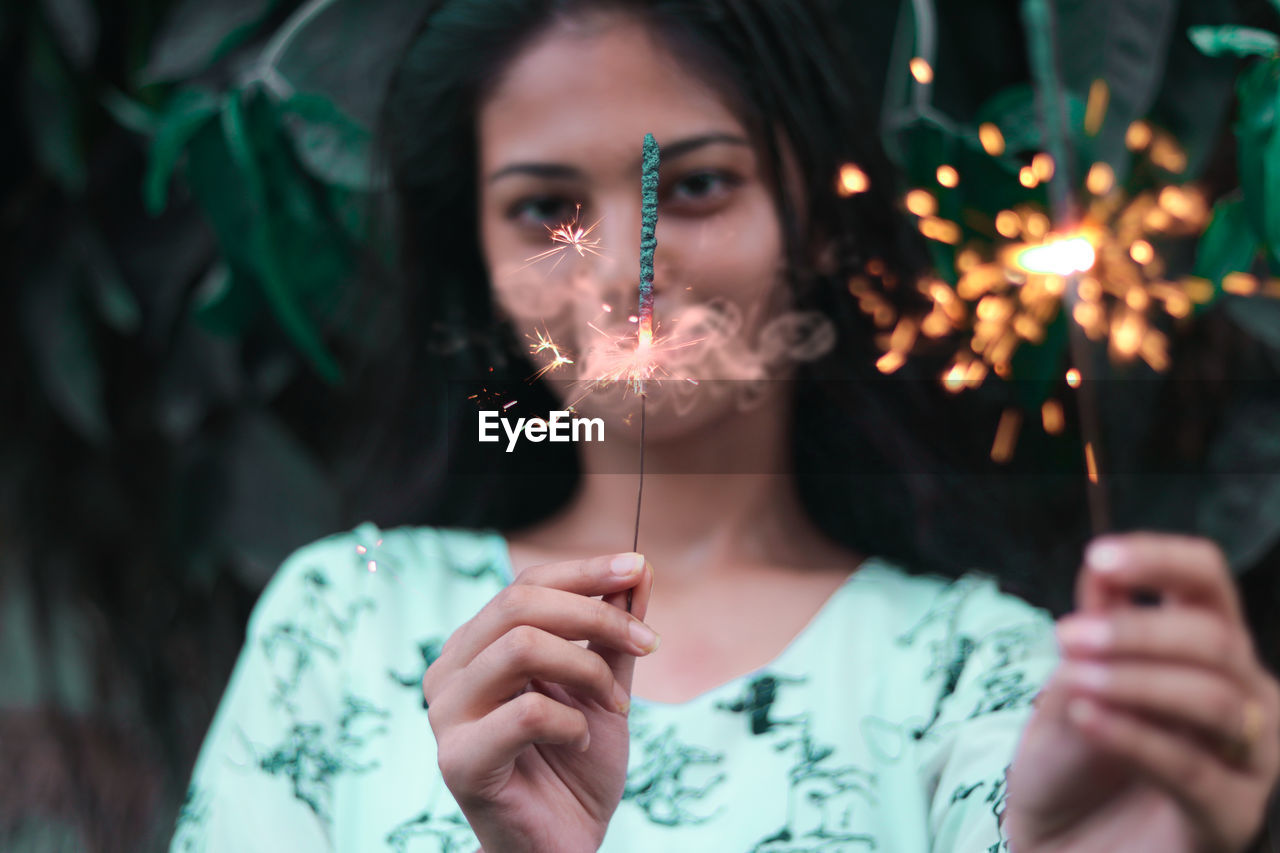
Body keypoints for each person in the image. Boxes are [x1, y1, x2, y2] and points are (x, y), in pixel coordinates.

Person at [172, 1, 1280, 851]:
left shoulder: (981, 676)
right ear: (476, 259)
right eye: (542, 210)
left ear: (821, 225)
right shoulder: (341, 623)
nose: (620, 272)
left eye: (695, 186)